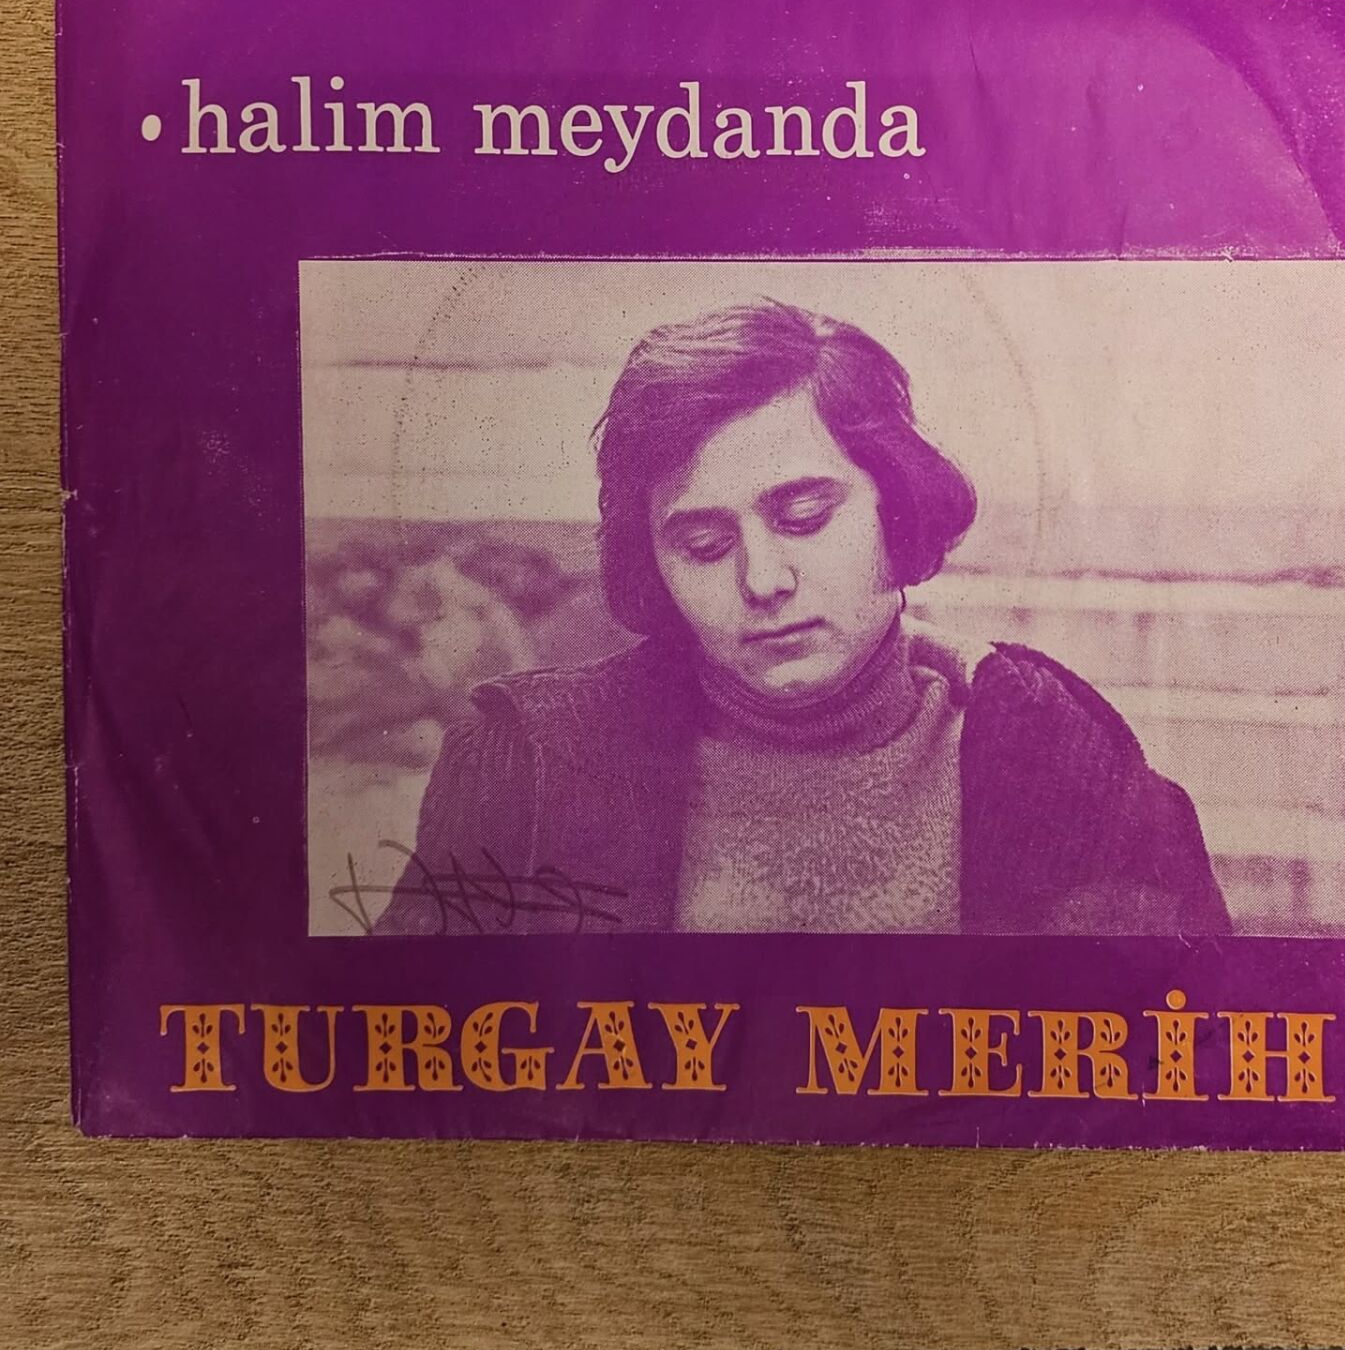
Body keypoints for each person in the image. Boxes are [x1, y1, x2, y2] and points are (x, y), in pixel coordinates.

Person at [373, 299, 1228, 937]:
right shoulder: (524, 768)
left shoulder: (1059, 758)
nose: (763, 579)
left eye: (805, 516)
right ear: (655, 567)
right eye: (705, 544)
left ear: (897, 507)